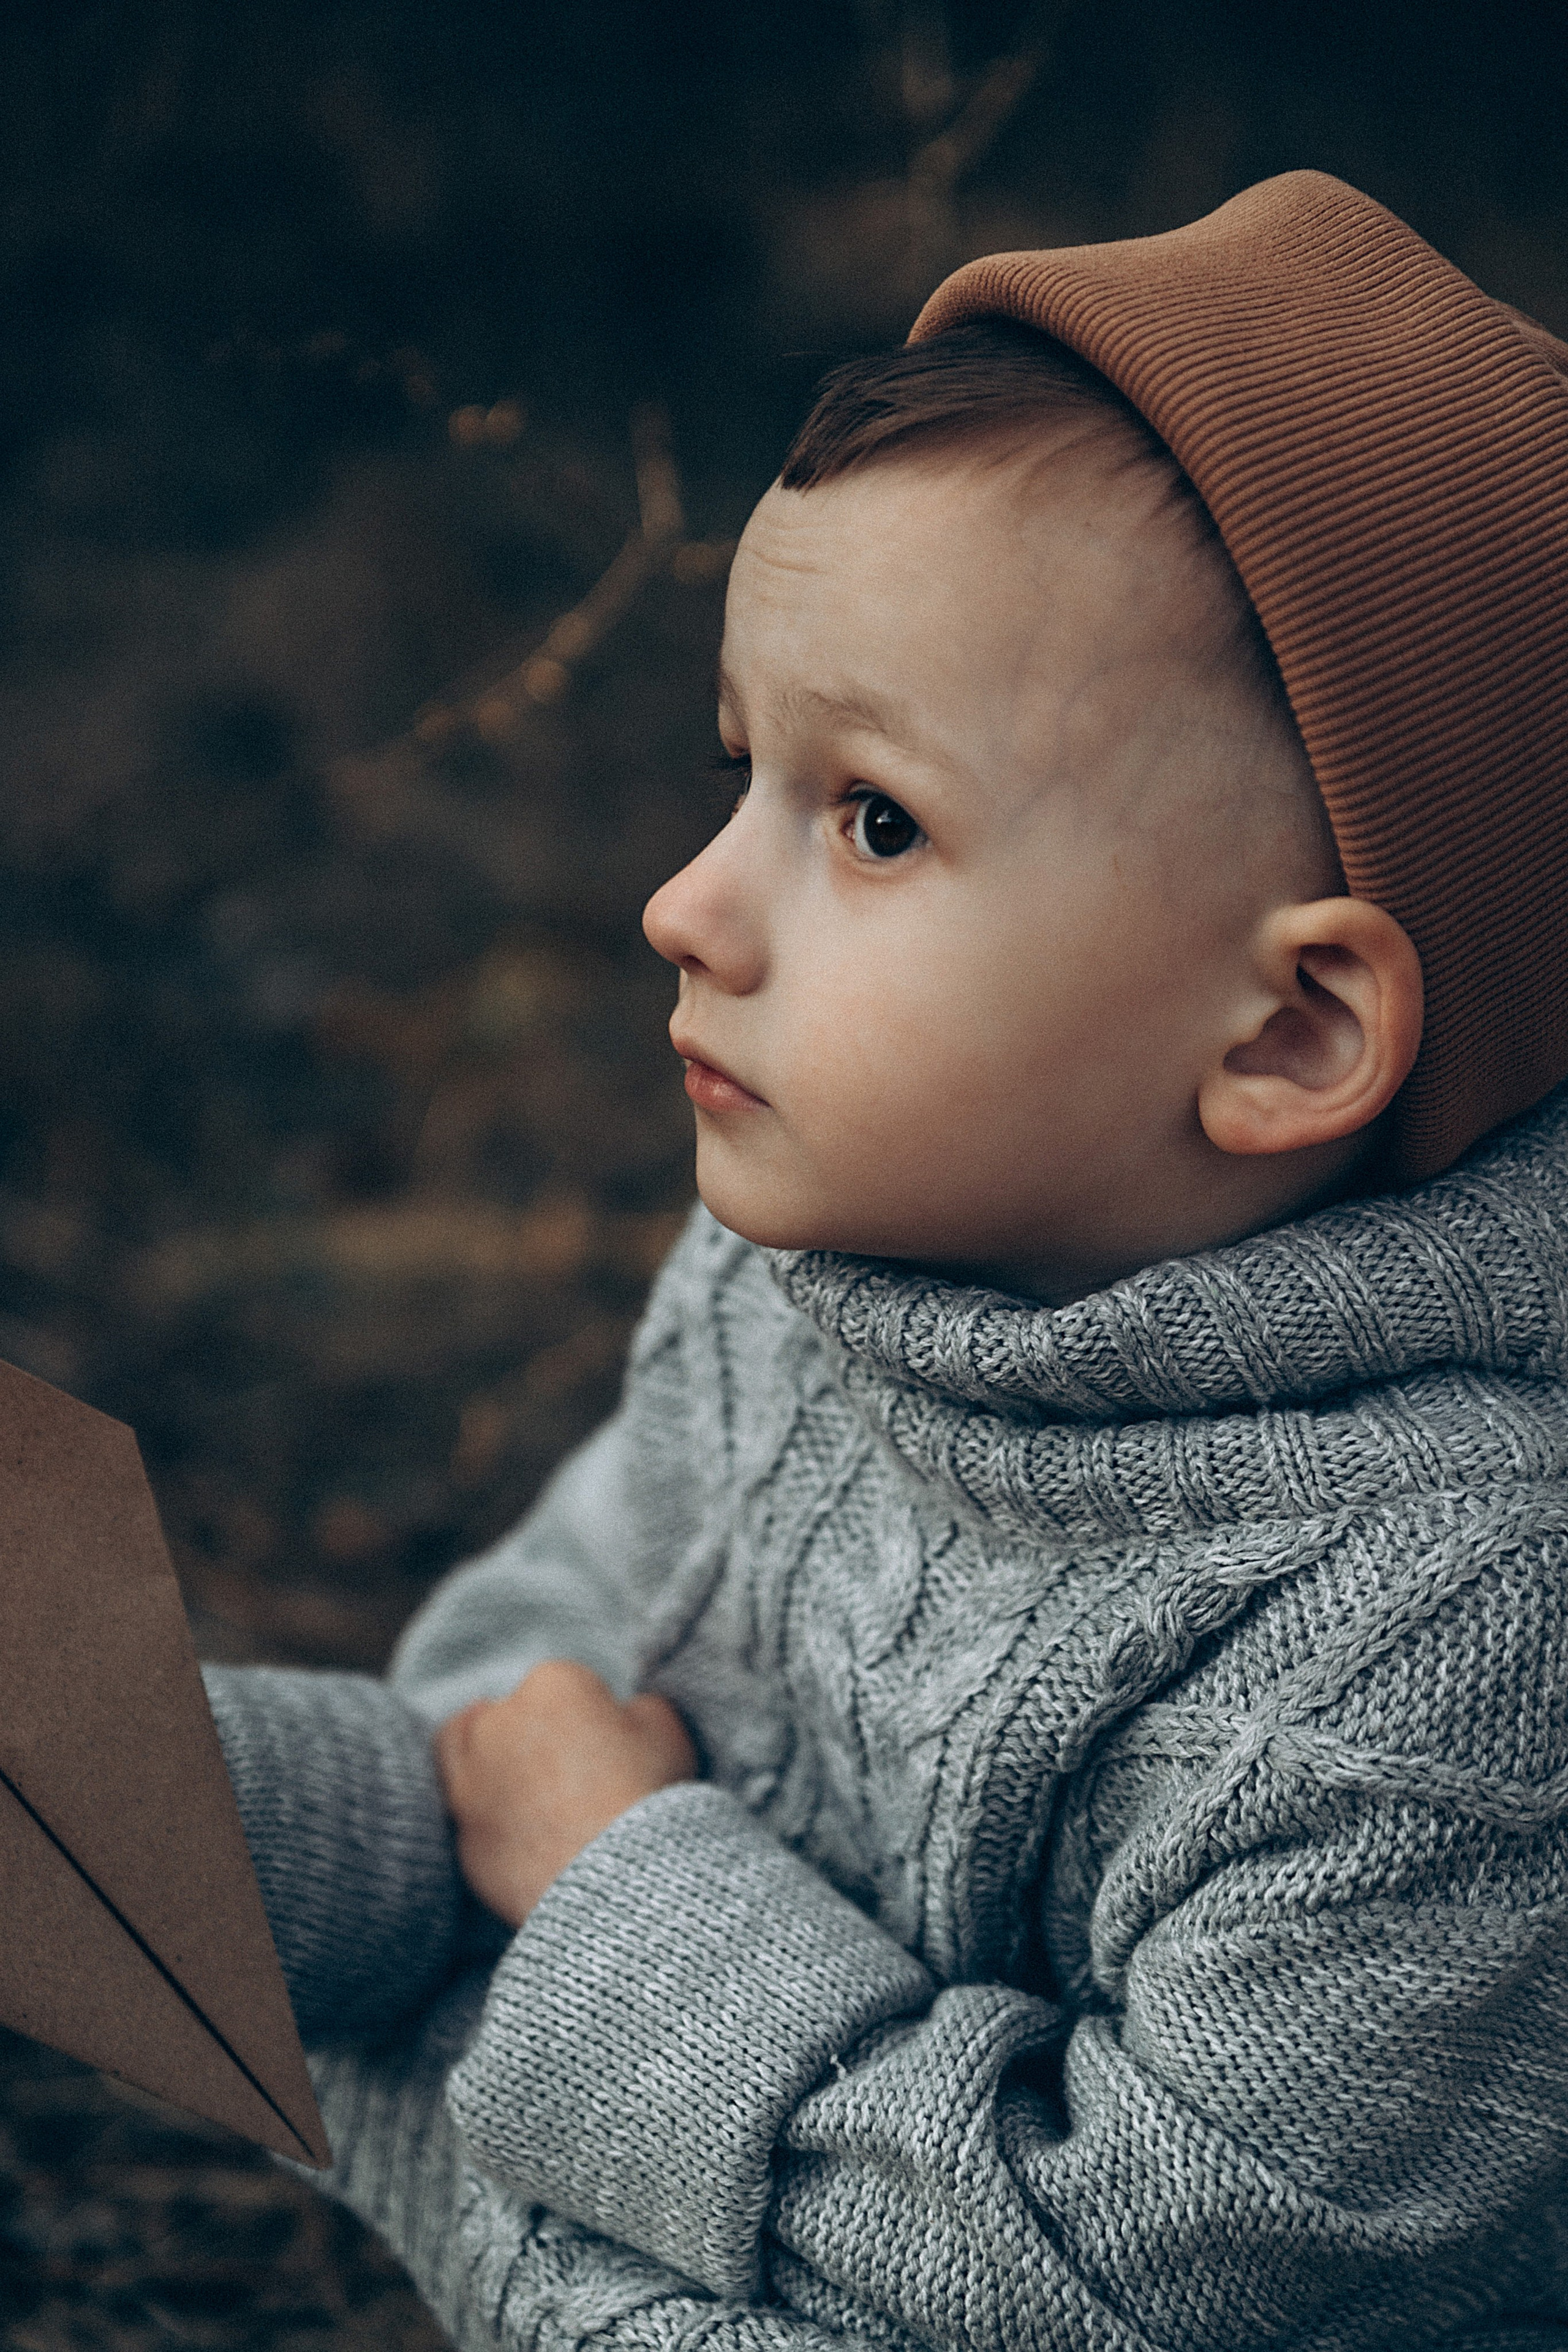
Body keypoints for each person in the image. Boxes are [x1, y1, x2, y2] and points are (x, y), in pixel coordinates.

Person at [206, 170, 1568, 2349]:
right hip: (695, 2083)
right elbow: (544, 1710)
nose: (683, 903)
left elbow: (1135, 2279)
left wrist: (606, 1898)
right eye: (743, 768)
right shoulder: (811, 1262)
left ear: (1292, 1030)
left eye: (872, 822)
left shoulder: (1462, 1630)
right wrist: (184, 1802)